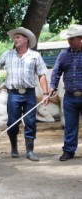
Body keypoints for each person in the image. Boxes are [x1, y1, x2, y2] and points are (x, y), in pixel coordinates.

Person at [0, 27, 49, 161]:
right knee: (12, 122)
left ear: (26, 40)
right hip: (13, 94)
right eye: (15, 37)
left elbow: (42, 74)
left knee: (30, 122)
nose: (16, 39)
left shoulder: (35, 56)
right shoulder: (7, 54)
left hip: (29, 93)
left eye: (18, 37)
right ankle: (14, 147)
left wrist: (45, 93)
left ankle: (30, 151)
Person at [49, 24, 82, 161]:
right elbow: (56, 71)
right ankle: (68, 151)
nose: (69, 41)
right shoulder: (64, 54)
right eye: (68, 39)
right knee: (69, 125)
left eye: (72, 39)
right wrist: (53, 86)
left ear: (80, 38)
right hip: (69, 96)